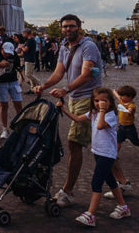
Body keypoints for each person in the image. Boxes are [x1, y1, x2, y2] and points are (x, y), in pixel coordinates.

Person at [32, 14, 102, 208]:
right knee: (102, 143)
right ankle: (122, 182)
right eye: (64, 26)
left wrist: (65, 89)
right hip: (75, 99)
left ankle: (68, 191)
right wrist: (43, 86)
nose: (67, 29)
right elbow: (59, 72)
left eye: (71, 26)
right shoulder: (64, 47)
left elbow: (87, 74)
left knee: (74, 143)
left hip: (89, 99)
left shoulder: (88, 46)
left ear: (79, 27)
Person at [56, 87, 131, 226]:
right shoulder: (94, 112)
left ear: (110, 102)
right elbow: (78, 119)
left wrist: (102, 110)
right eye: (96, 101)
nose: (99, 103)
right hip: (98, 152)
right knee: (111, 181)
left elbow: (101, 126)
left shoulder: (110, 115)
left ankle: (91, 215)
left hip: (107, 155)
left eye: (104, 101)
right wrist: (64, 110)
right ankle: (123, 207)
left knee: (96, 183)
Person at [106, 85, 139, 194]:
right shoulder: (122, 101)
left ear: (130, 97)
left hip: (130, 128)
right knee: (118, 141)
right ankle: (114, 155)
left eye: (124, 96)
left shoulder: (131, 105)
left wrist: (128, 111)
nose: (122, 98)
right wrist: (113, 92)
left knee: (136, 142)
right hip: (122, 127)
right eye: (122, 96)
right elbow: (117, 96)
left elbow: (131, 110)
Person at [0, 42, 23, 139]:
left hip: (14, 82)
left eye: (9, 53)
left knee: (18, 104)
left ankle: (21, 127)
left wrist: (22, 78)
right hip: (1, 83)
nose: (7, 55)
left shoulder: (14, 55)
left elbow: (18, 68)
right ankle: (4, 129)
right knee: (3, 105)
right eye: (6, 53)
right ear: (2, 49)